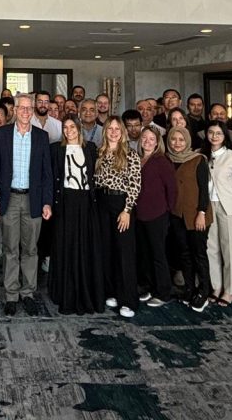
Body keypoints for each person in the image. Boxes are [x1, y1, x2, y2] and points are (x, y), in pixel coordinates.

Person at [0, 94, 53, 316]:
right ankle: (11, 295)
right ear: (15, 110)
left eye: (30, 108)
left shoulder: (41, 136)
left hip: (33, 200)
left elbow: (47, 173)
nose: (26, 112)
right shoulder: (1, 134)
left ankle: (27, 293)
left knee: (30, 249)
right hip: (9, 198)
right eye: (22, 108)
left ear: (33, 111)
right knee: (10, 249)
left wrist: (47, 202)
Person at [48, 116, 103, 314]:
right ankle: (66, 293)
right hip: (64, 204)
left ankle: (85, 292)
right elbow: (52, 178)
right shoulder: (56, 149)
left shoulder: (91, 149)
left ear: (79, 129)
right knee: (66, 246)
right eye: (65, 127)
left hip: (87, 204)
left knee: (85, 247)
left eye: (72, 127)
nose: (69, 130)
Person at [94, 117, 142, 318]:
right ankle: (112, 291)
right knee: (108, 251)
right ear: (105, 131)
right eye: (110, 128)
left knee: (124, 253)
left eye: (117, 129)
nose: (113, 132)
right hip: (102, 204)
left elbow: (135, 184)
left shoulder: (130, 154)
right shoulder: (99, 153)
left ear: (122, 132)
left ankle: (129, 300)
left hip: (121, 205)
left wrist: (127, 210)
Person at [167, 127, 211, 312]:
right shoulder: (168, 160)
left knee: (199, 254)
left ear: (188, 141)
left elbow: (204, 189)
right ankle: (189, 288)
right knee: (184, 253)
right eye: (174, 139)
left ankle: (204, 291)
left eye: (181, 140)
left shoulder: (198, 159)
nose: (177, 143)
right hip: (177, 215)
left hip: (196, 215)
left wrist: (201, 212)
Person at [135, 126, 177, 307]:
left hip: (157, 215)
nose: (147, 141)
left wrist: (167, 210)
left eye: (151, 138)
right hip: (139, 214)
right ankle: (150, 287)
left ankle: (163, 292)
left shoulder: (161, 160)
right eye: (144, 137)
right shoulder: (138, 159)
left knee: (158, 254)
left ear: (157, 141)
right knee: (145, 254)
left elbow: (172, 189)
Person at [202, 121, 232, 308]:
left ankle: (229, 290)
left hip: (228, 206)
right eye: (211, 132)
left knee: (230, 249)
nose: (214, 136)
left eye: (219, 133)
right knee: (212, 248)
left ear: (225, 135)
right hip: (208, 206)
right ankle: (216, 287)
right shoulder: (202, 156)